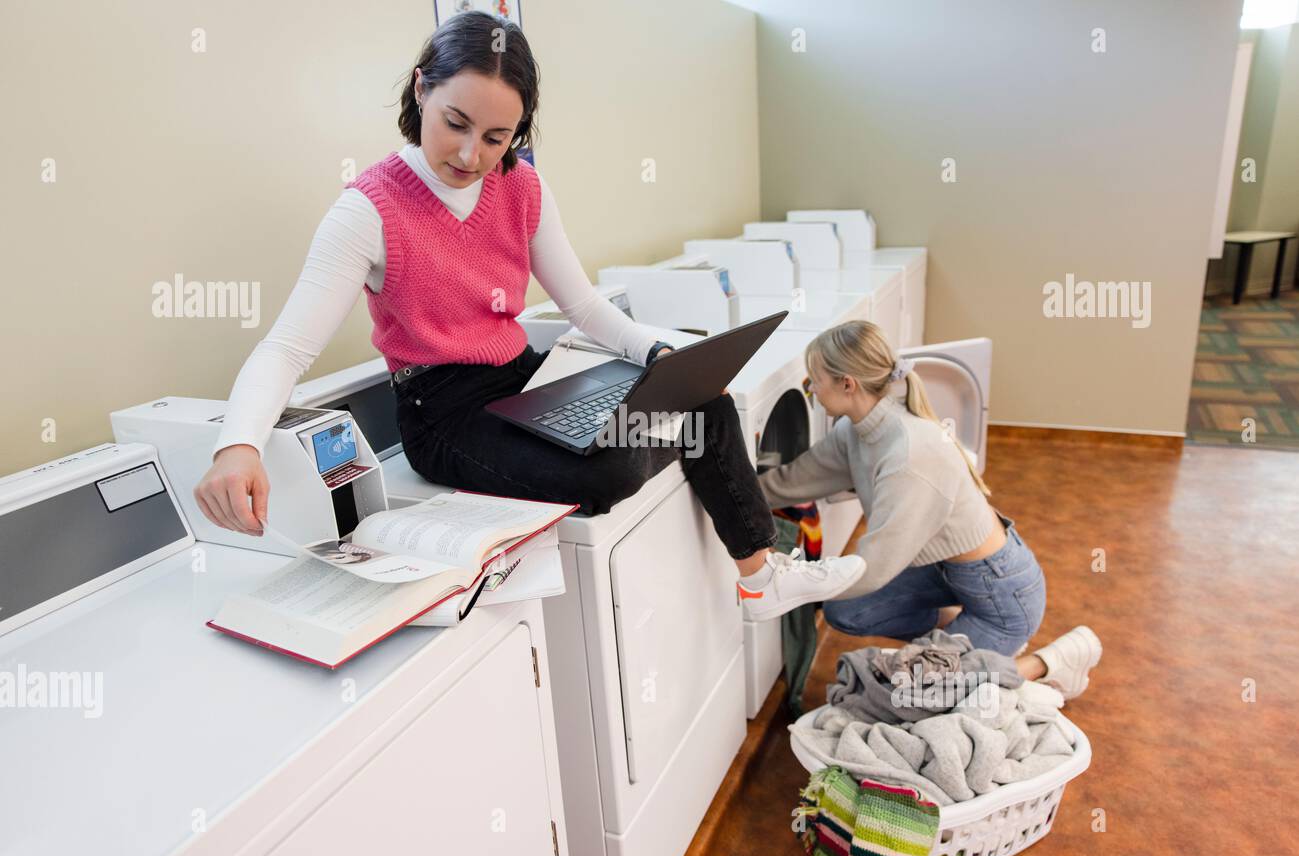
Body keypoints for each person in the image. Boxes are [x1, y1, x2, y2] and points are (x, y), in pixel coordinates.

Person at [192, 11, 865, 623]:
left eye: (495, 137)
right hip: (444, 412)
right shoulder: (367, 211)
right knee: (609, 473)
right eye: (455, 123)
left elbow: (583, 306)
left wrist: (657, 357)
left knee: (704, 401)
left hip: (524, 377)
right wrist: (238, 443)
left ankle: (759, 578)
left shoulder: (521, 186)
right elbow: (285, 348)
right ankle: (687, 490)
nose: (469, 156)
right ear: (422, 89)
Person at [758, 320, 1102, 695]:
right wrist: (730, 499)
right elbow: (792, 481)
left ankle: (1043, 662)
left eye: (815, 380)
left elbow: (872, 569)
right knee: (845, 610)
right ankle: (963, 639)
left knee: (913, 694)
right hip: (943, 574)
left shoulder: (908, 453)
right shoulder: (855, 431)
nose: (812, 390)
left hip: (1001, 592)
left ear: (847, 384)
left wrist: (788, 583)